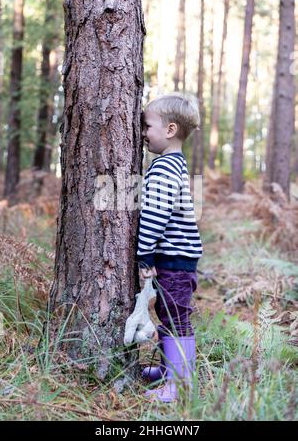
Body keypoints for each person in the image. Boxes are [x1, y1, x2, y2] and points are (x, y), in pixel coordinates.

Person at [137, 92, 203, 402]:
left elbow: (155, 214)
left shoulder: (164, 167)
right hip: (179, 258)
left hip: (174, 259)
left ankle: (178, 384)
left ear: (170, 129)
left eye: (147, 126)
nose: (143, 133)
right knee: (171, 314)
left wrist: (144, 253)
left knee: (175, 318)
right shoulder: (173, 163)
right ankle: (169, 371)